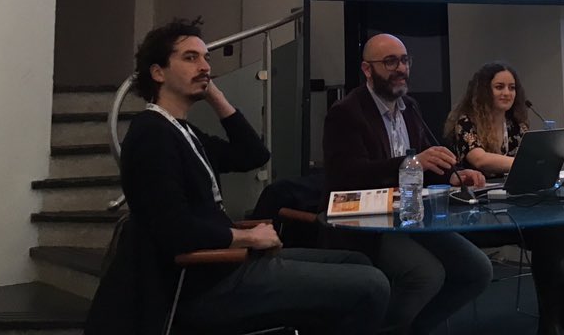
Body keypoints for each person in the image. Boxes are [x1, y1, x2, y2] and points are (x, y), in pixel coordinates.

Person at [86, 19, 389, 335]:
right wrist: (248, 237)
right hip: (204, 284)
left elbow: (253, 154)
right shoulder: (151, 135)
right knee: (372, 285)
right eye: (190, 58)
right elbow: (174, 229)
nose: (205, 66)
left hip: (228, 265)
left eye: (206, 58)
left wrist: (215, 95)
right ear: (158, 72)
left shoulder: (183, 131)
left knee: (357, 261)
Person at [323, 33, 492, 335]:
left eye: (404, 60)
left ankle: (416, 327)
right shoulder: (346, 113)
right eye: (390, 62)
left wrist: (454, 175)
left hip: (412, 217)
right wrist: (410, 163)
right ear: (367, 69)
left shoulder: (410, 107)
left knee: (478, 270)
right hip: (369, 223)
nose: (401, 68)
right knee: (426, 275)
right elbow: (347, 176)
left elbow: (426, 163)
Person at [445, 62, 564, 335]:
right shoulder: (466, 121)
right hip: (475, 213)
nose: (507, 93)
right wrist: (522, 162)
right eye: (499, 87)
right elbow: (479, 159)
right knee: (549, 235)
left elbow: (529, 163)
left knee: (553, 226)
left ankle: (552, 320)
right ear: (484, 91)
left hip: (513, 206)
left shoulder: (516, 123)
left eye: (512, 87)